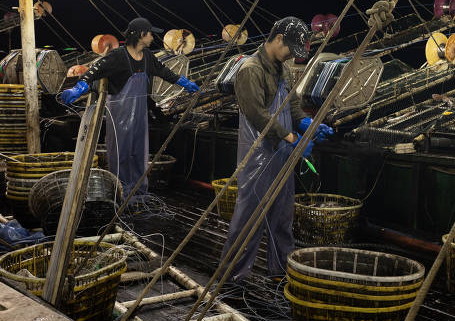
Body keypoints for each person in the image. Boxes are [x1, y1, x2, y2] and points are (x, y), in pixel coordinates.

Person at [221, 16, 332, 283]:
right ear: (278, 38)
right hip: (259, 154)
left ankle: (280, 271)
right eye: (289, 50)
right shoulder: (250, 69)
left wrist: (308, 123)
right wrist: (292, 137)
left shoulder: (283, 69)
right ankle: (232, 277)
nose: (290, 56)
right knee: (249, 217)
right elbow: (257, 115)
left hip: (281, 154)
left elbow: (291, 105)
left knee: (282, 216)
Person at [60, 17, 200, 201]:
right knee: (121, 153)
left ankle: (138, 191)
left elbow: (164, 71)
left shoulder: (148, 57)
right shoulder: (117, 56)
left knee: (139, 153)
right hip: (119, 115)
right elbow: (95, 70)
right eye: (150, 33)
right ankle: (120, 192)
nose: (152, 37)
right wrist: (79, 88)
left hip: (140, 115)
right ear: (142, 35)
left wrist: (183, 82)